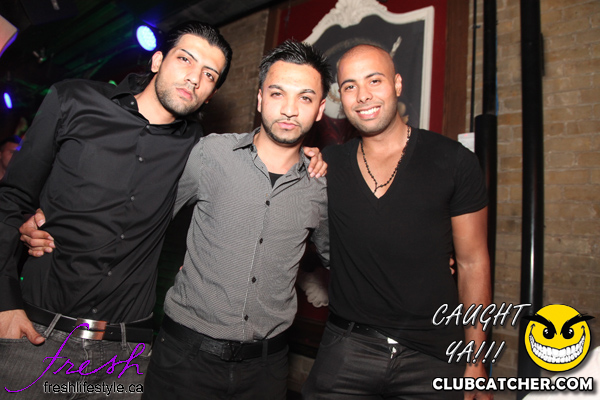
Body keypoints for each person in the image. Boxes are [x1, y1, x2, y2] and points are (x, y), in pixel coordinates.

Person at [0, 21, 234, 399]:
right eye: (185, 59)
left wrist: (306, 155)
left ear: (211, 93)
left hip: (126, 354)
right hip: (37, 335)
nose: (194, 77)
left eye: (209, 74)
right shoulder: (73, 100)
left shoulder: (198, 149)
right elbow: (11, 201)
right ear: (157, 60)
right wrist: (3, 303)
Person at [141, 40, 331, 400]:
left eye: (305, 98)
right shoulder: (212, 153)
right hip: (183, 359)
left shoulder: (319, 186)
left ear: (320, 109)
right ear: (260, 98)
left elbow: (340, 260)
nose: (289, 109)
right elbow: (148, 220)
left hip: (266, 371)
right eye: (277, 93)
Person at [301, 44, 492, 399]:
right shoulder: (327, 166)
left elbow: (473, 263)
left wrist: (476, 359)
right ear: (340, 98)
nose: (363, 95)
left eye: (374, 80)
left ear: (398, 84)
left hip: (434, 355)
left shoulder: (453, 161)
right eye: (350, 86)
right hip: (347, 349)